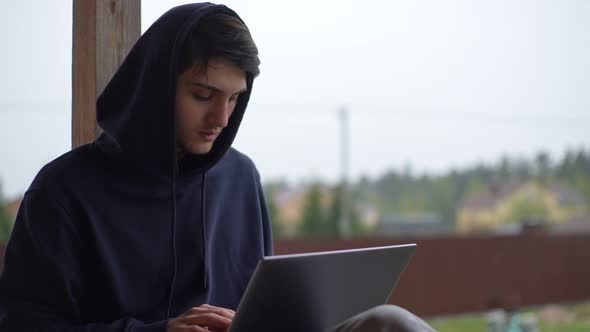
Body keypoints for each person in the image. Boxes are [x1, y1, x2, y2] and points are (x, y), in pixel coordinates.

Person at [0, 3, 435, 332]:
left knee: (390, 322)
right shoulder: (63, 191)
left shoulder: (240, 177)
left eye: (234, 99)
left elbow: (265, 304)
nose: (221, 119)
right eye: (204, 95)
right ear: (155, 85)